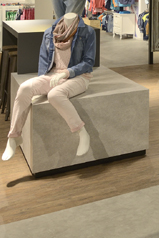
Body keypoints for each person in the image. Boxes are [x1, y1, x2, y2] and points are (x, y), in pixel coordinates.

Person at [2, 13, 96, 161]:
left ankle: (83, 133)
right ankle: (14, 137)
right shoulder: (49, 32)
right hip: (53, 75)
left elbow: (88, 62)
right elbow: (43, 60)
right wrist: (41, 84)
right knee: (25, 88)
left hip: (79, 76)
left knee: (55, 95)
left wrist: (66, 72)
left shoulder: (87, 32)